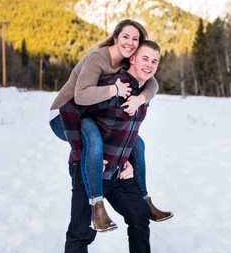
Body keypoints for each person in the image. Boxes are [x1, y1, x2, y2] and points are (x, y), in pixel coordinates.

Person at [61, 41, 180, 253]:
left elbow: (125, 132)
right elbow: (70, 110)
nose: (150, 65)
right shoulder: (114, 85)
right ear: (132, 58)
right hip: (88, 171)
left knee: (139, 215)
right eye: (145, 59)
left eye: (155, 61)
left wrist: (126, 158)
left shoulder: (142, 92)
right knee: (82, 232)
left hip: (116, 170)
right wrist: (88, 149)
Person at [49, 19, 171, 231]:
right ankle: (97, 207)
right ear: (115, 38)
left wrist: (140, 99)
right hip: (66, 114)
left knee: (138, 144)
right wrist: (114, 90)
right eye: (126, 37)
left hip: (90, 112)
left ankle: (145, 201)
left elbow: (153, 82)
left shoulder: (126, 61)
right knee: (94, 143)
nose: (130, 42)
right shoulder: (97, 58)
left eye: (135, 39)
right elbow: (80, 96)